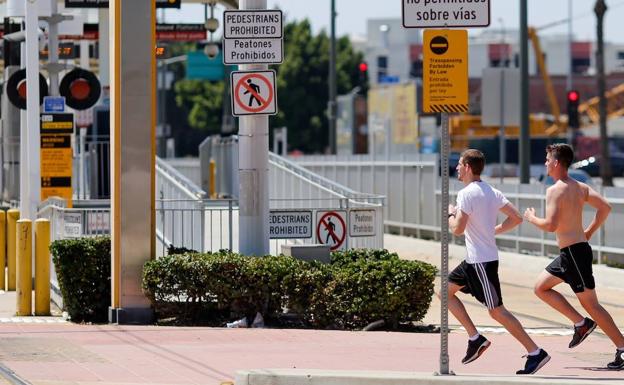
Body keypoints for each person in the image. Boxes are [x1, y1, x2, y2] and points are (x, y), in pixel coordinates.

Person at [446, 149, 550, 375]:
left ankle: (535, 352)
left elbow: (457, 230)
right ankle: (475, 339)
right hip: (474, 260)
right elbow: (516, 218)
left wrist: (450, 214)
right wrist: (492, 231)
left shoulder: (465, 194)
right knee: (445, 292)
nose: (456, 168)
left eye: (459, 164)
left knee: (497, 311)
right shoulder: (492, 191)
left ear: (468, 167)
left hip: (481, 263)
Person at [524, 143, 624, 370]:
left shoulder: (555, 189)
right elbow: (605, 207)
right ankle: (581, 324)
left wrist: (531, 218)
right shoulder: (580, 187)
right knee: (541, 287)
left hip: (574, 255)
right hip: (571, 253)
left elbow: (550, 226)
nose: (546, 163)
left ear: (557, 162)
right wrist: (587, 232)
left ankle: (622, 347)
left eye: (548, 159)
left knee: (593, 306)